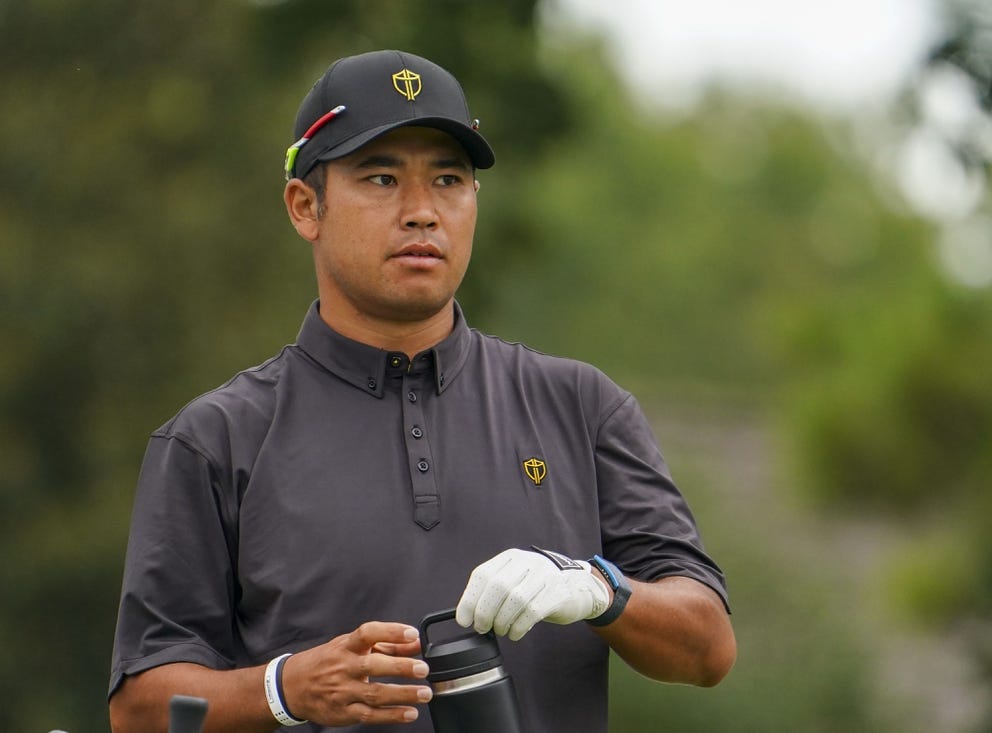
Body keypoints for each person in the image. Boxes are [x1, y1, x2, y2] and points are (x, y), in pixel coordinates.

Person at [108, 49, 735, 733]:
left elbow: (707, 645)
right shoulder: (216, 438)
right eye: (381, 178)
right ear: (304, 206)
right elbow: (140, 708)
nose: (422, 212)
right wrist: (287, 688)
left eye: (448, 180)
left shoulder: (583, 406)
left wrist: (596, 586)